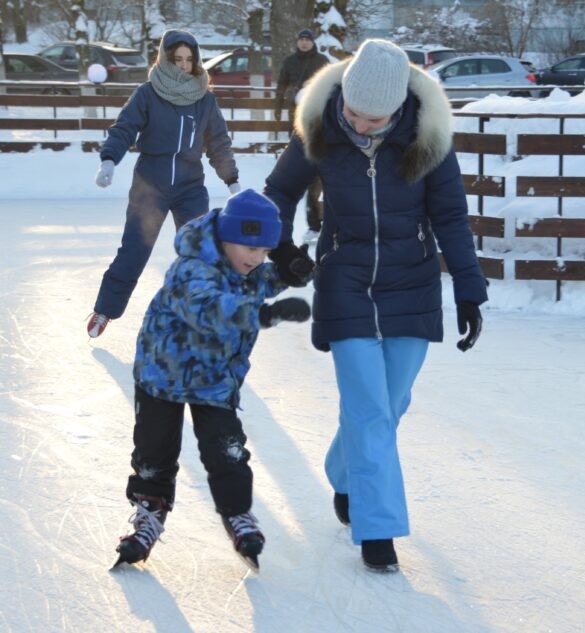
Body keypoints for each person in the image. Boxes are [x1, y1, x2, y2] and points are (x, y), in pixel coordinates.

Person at [264, 39, 487, 573]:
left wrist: (469, 288)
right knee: (368, 407)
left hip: (412, 279)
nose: (360, 125)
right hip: (344, 276)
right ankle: (378, 526)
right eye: (353, 113)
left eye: (373, 119)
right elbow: (278, 193)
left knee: (391, 403)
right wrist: (285, 249)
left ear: (398, 109)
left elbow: (451, 216)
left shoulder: (427, 138)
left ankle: (345, 473)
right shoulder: (320, 126)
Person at [113, 189, 312, 570]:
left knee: (228, 451)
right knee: (154, 452)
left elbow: (256, 281)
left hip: (215, 377)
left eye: (264, 252)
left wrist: (288, 273)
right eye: (249, 249)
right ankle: (148, 515)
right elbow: (210, 309)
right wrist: (265, 316)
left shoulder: (243, 265)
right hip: (162, 375)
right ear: (224, 238)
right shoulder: (191, 269)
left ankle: (238, 513)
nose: (255, 259)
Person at [88, 29, 241, 338]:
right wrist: (109, 159)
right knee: (134, 250)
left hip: (190, 187)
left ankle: (202, 315)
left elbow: (219, 143)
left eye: (189, 59)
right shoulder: (148, 93)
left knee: (202, 251)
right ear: (164, 59)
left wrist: (232, 181)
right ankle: (105, 309)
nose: (183, 65)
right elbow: (125, 128)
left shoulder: (204, 99)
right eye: (177, 59)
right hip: (151, 186)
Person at [273, 28, 330, 241]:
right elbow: (281, 85)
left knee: (320, 175)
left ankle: (319, 223)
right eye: (301, 39)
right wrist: (277, 107)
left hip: (320, 120)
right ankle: (310, 224)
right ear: (297, 42)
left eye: (308, 39)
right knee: (302, 170)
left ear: (313, 42)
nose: (304, 43)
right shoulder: (289, 61)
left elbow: (331, 85)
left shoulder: (322, 60)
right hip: (296, 119)